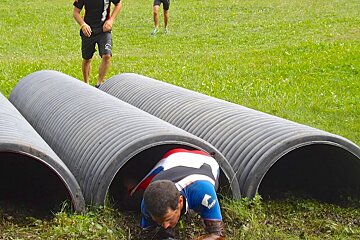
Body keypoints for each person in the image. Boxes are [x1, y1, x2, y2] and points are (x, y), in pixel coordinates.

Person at [130, 148, 226, 240]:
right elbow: (148, 234)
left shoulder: (203, 193)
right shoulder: (147, 205)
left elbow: (217, 234)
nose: (165, 226)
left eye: (168, 219)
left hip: (203, 159)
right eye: (158, 221)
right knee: (130, 198)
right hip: (171, 159)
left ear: (180, 201)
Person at [73, 0, 122, 88]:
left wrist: (111, 20)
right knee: (87, 59)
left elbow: (118, 4)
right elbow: (76, 12)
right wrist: (83, 25)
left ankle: (99, 84)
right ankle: (86, 84)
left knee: (107, 56)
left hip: (104, 30)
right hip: (88, 31)